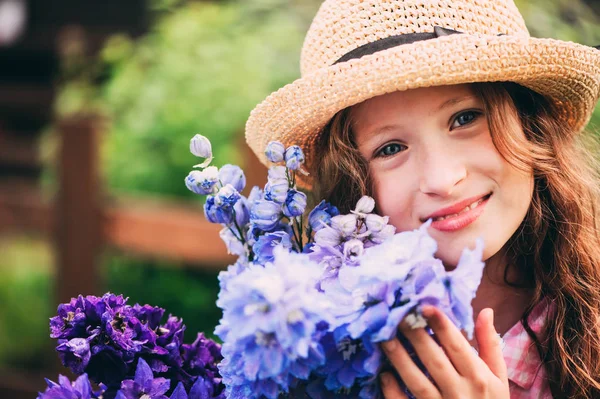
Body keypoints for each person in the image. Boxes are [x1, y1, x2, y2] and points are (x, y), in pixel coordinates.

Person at [245, 0, 600, 397]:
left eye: (465, 118)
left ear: (531, 126)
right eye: (391, 148)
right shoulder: (322, 356)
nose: (443, 180)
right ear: (353, 185)